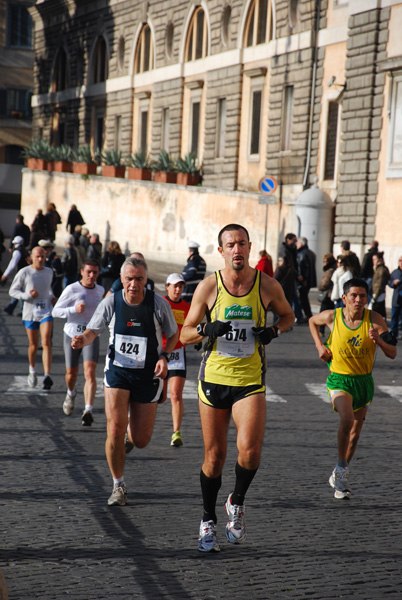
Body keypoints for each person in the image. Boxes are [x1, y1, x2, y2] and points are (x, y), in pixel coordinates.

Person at [180, 223, 294, 552]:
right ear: (221, 251)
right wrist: (206, 328)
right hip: (214, 380)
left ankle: (236, 502)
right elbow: (184, 334)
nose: (237, 250)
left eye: (242, 243)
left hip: (249, 381)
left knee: (251, 451)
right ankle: (207, 520)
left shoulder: (267, 285)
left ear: (249, 248)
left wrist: (273, 332)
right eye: (230, 244)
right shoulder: (208, 287)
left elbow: (289, 316)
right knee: (214, 458)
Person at [71, 257, 179, 506]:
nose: (133, 284)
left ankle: (130, 438)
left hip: (147, 375)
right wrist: (81, 340)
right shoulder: (111, 303)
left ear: (146, 280)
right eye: (129, 279)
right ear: (122, 279)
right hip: (117, 373)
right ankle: (118, 485)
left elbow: (173, 334)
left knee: (141, 440)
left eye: (139, 279)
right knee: (114, 429)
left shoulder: (158, 304)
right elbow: (92, 331)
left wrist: (164, 357)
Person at [308, 278, 396, 499]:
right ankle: (340, 465)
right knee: (346, 420)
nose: (358, 300)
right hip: (339, 380)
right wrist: (320, 346)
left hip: (363, 382)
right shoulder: (333, 316)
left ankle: (341, 473)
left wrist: (379, 341)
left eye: (363, 296)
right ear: (344, 298)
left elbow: (392, 352)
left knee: (355, 434)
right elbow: (311, 321)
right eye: (354, 296)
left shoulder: (374, 320)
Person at [53, 260, 104, 425]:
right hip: (72, 334)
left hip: (91, 336)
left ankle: (88, 410)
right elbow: (55, 311)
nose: (91, 275)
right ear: (82, 271)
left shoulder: (100, 290)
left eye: (95, 272)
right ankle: (71, 392)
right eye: (88, 271)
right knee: (71, 374)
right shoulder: (72, 289)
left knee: (89, 372)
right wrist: (73, 309)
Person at [9, 246, 55, 390]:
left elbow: (48, 289)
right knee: (33, 345)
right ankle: (32, 370)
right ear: (31, 258)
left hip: (46, 311)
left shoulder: (49, 272)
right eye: (38, 256)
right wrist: (27, 295)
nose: (40, 259)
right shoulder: (25, 272)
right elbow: (13, 291)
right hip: (30, 312)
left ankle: (47, 376)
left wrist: (53, 297)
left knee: (46, 341)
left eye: (43, 256)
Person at [162, 273, 191, 447]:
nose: (178, 289)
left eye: (181, 286)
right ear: (167, 287)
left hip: (178, 353)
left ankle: (176, 432)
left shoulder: (187, 306)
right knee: (159, 397)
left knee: (175, 395)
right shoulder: (160, 303)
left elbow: (191, 325)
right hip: (160, 353)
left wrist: (194, 338)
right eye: (175, 286)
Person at [278, 233, 304, 324]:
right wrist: (297, 275)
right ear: (288, 240)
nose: (296, 241)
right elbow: (289, 265)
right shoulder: (284, 250)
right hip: (287, 277)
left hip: (291, 276)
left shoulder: (291, 249)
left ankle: (296, 316)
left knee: (293, 297)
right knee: (291, 297)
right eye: (294, 239)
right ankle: (294, 317)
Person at [2, 236, 29, 315]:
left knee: (19, 290)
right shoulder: (24, 250)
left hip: (21, 273)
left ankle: (22, 310)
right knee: (18, 289)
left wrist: (5, 275)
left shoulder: (17, 251)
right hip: (25, 273)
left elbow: (12, 264)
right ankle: (11, 307)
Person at [296, 237, 316, 319]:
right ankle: (306, 314)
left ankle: (306, 315)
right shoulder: (311, 253)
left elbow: (303, 268)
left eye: (297, 243)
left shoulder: (301, 254)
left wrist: (303, 279)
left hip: (304, 280)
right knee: (303, 297)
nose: (296, 245)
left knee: (302, 298)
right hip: (309, 280)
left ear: (301, 244)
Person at [317, 253, 337, 335]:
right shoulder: (334, 268)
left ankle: (321, 330)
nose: (324, 263)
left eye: (325, 261)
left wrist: (320, 287)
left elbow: (325, 283)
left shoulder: (330, 270)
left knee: (323, 313)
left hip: (328, 294)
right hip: (332, 294)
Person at [370, 252, 390, 318]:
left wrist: (375, 296)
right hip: (376, 294)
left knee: (377, 313)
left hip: (379, 295)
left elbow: (380, 284)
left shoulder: (381, 270)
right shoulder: (377, 268)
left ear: (380, 259)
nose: (373, 261)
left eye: (375, 259)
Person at [388, 256, 402, 340]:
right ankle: (393, 333)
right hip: (396, 299)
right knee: (394, 316)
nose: (401, 262)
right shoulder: (395, 272)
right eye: (400, 260)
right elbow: (389, 282)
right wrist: (393, 283)